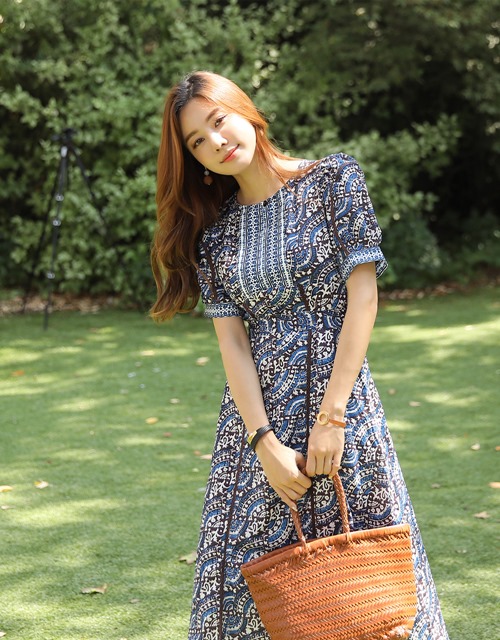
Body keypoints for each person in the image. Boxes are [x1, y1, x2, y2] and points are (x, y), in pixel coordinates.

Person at [151, 71, 449, 640]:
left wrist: (332, 417)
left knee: (368, 585)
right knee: (250, 592)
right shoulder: (215, 237)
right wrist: (263, 444)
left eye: (218, 121)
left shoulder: (335, 179)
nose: (216, 142)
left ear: (247, 112)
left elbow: (363, 297)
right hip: (257, 427)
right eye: (197, 141)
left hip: (342, 408)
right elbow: (233, 343)